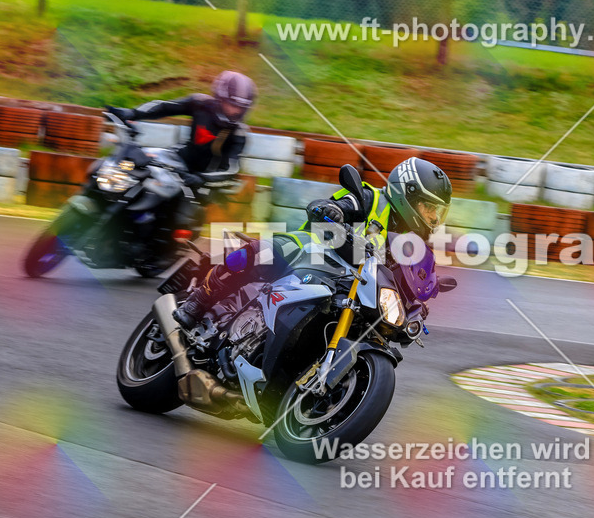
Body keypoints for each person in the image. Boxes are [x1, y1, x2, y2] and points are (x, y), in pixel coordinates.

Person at [172, 156, 453, 329]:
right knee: (257, 253)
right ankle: (198, 302)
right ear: (408, 195)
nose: (433, 217)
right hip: (313, 257)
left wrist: (421, 299)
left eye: (438, 212)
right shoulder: (371, 199)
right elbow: (338, 205)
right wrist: (333, 211)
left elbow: (410, 280)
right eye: (429, 208)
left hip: (351, 292)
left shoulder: (414, 244)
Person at [108, 70, 257, 189]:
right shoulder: (200, 103)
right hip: (176, 160)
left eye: (241, 107)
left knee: (180, 219)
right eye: (233, 105)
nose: (237, 111)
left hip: (204, 183)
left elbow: (231, 171)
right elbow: (164, 107)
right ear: (220, 98)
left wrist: (201, 179)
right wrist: (133, 113)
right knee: (134, 162)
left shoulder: (239, 134)